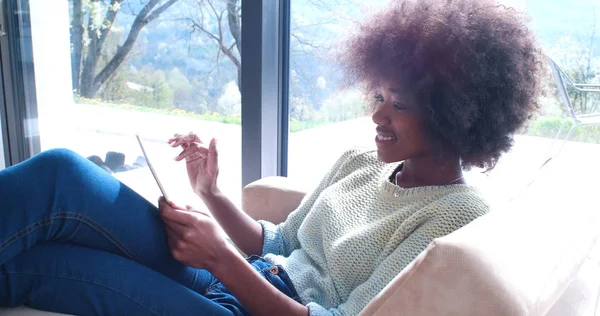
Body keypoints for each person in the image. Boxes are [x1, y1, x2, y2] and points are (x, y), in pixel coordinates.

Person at [0, 0, 543, 315]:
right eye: (378, 96)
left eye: (399, 105)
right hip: (246, 276)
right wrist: (210, 193)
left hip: (250, 308)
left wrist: (218, 259)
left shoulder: (454, 219)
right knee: (63, 174)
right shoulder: (361, 161)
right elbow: (279, 243)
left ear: (459, 116)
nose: (379, 116)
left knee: (34, 265)